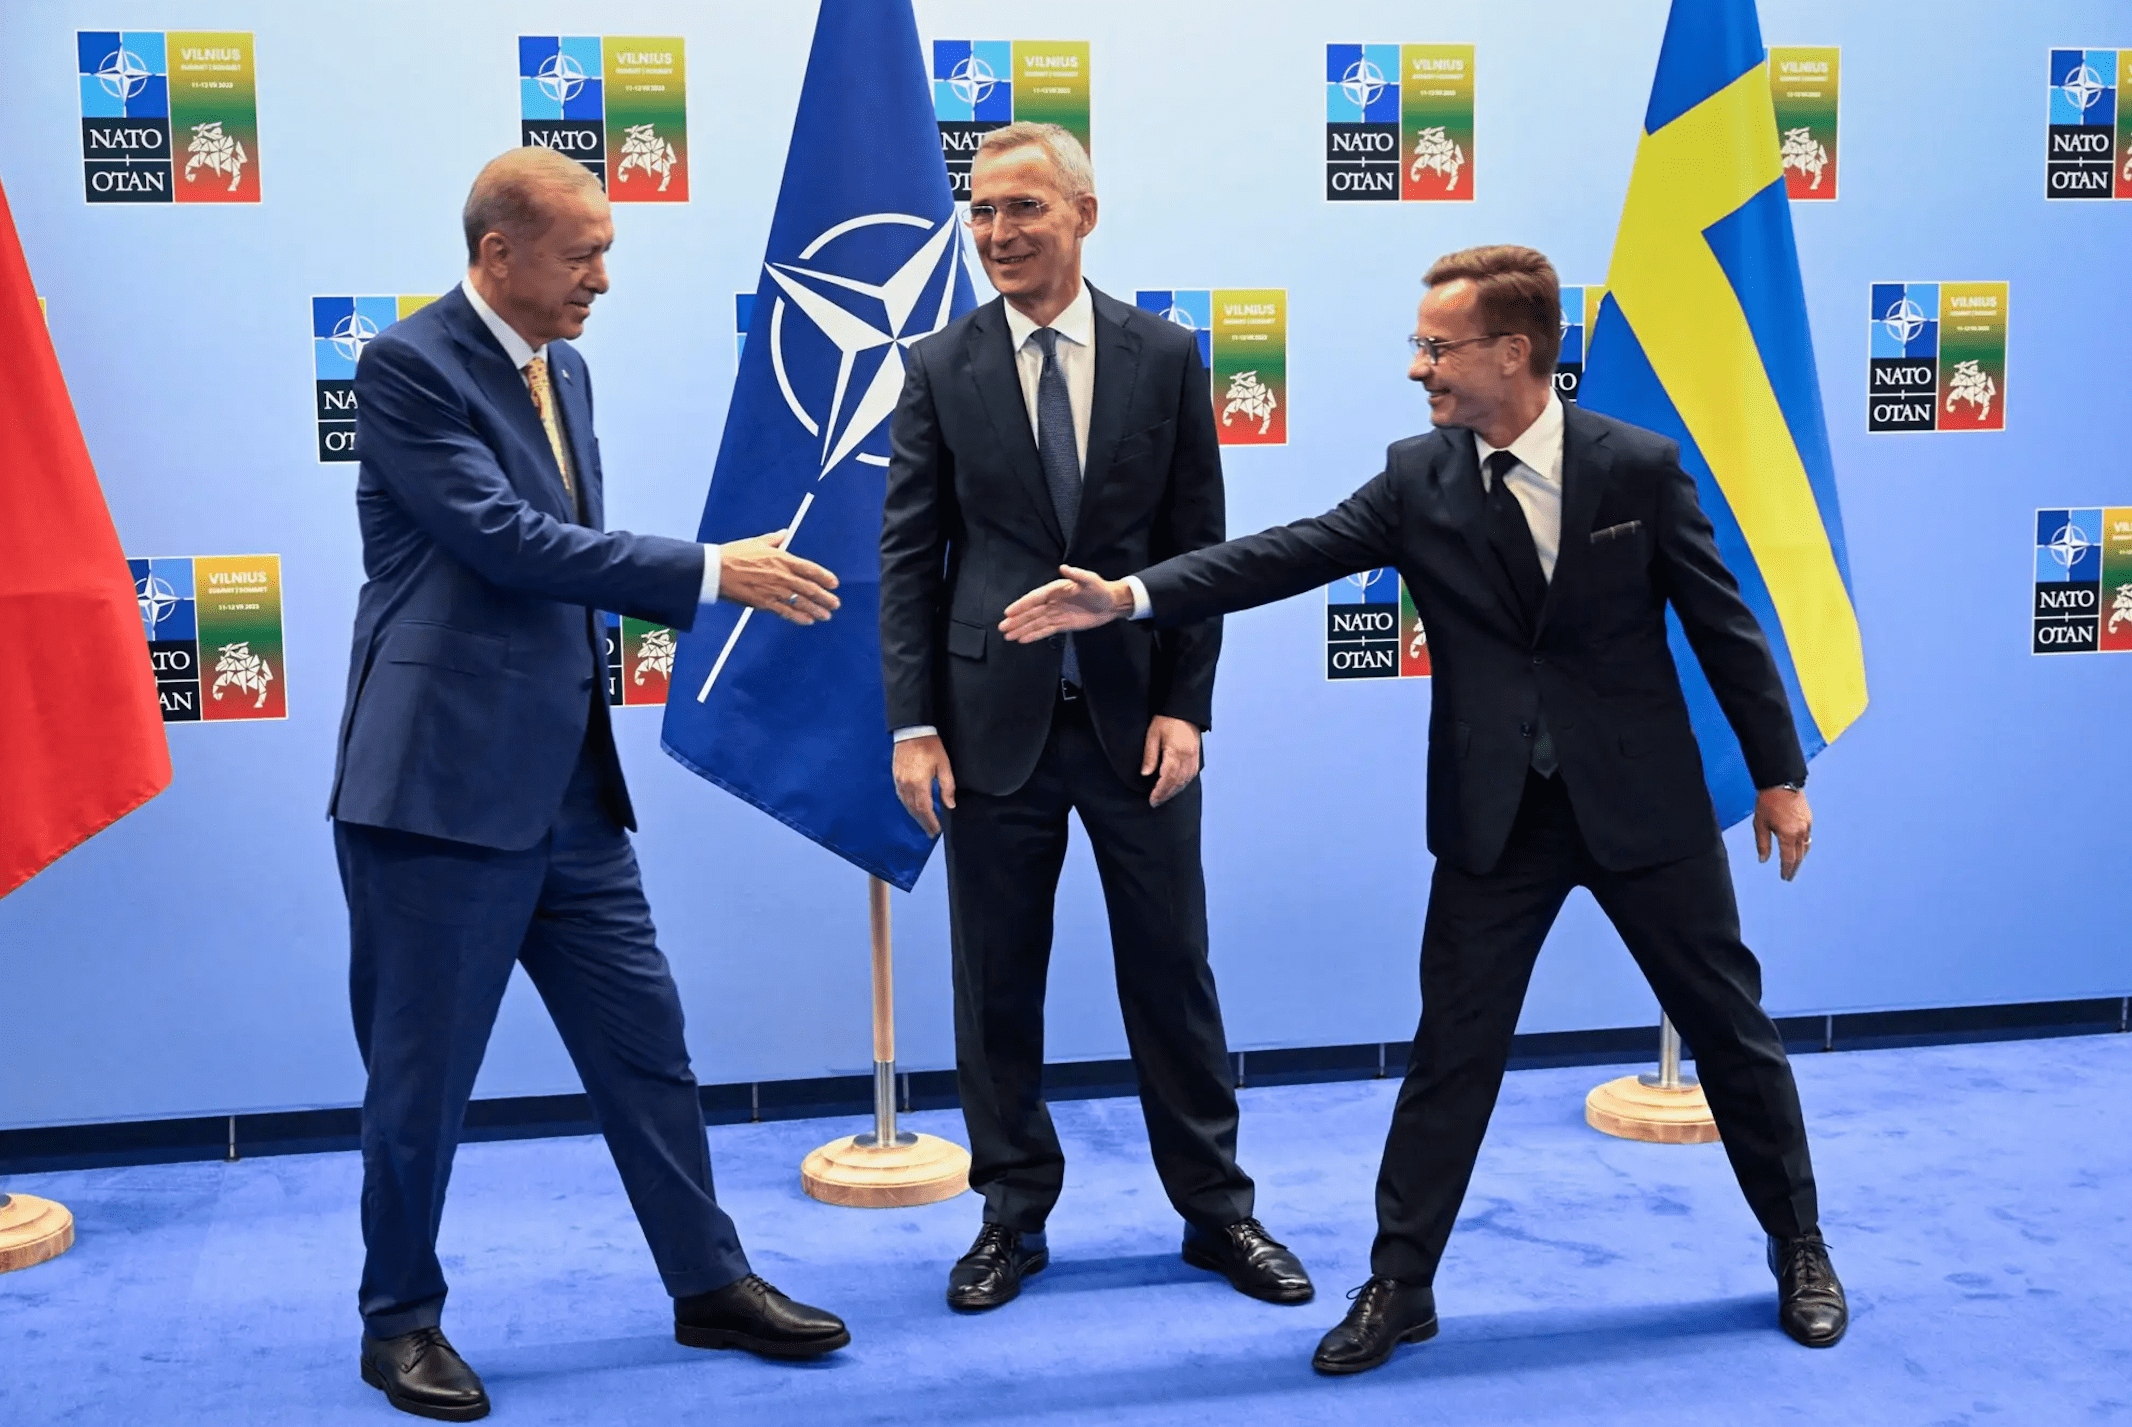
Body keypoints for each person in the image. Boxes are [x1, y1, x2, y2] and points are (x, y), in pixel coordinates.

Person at [999, 244, 1848, 1371]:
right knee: (1450, 1056)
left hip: (1642, 805)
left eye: (1435, 346)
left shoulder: (1635, 467)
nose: (1418, 368)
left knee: (1731, 1033)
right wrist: (1130, 594)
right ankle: (1399, 1282)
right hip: (1495, 819)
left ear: (1513, 350)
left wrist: (1777, 774)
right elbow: (1280, 555)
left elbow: (1721, 625)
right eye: (1419, 345)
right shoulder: (1417, 476)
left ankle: (1798, 1244)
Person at [328, 147, 849, 1422]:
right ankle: (398, 1319)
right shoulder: (406, 365)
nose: (603, 278)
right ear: (500, 254)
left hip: (568, 788)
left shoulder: (565, 368)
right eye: (582, 255)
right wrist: (711, 573)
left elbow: (561, 562)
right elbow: (506, 543)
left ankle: (707, 1281)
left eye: (606, 250)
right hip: (437, 790)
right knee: (420, 1080)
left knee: (646, 1050)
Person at [879, 122, 1312, 1313]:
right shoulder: (935, 365)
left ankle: (1217, 1211)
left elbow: (1199, 553)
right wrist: (911, 721)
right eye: (981, 213)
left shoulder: (1166, 356)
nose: (998, 233)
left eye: (1023, 209)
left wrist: (1186, 706)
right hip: (986, 728)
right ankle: (1010, 1216)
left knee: (1172, 970)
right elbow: (909, 557)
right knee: (995, 980)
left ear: (1083, 212)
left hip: (1134, 727)